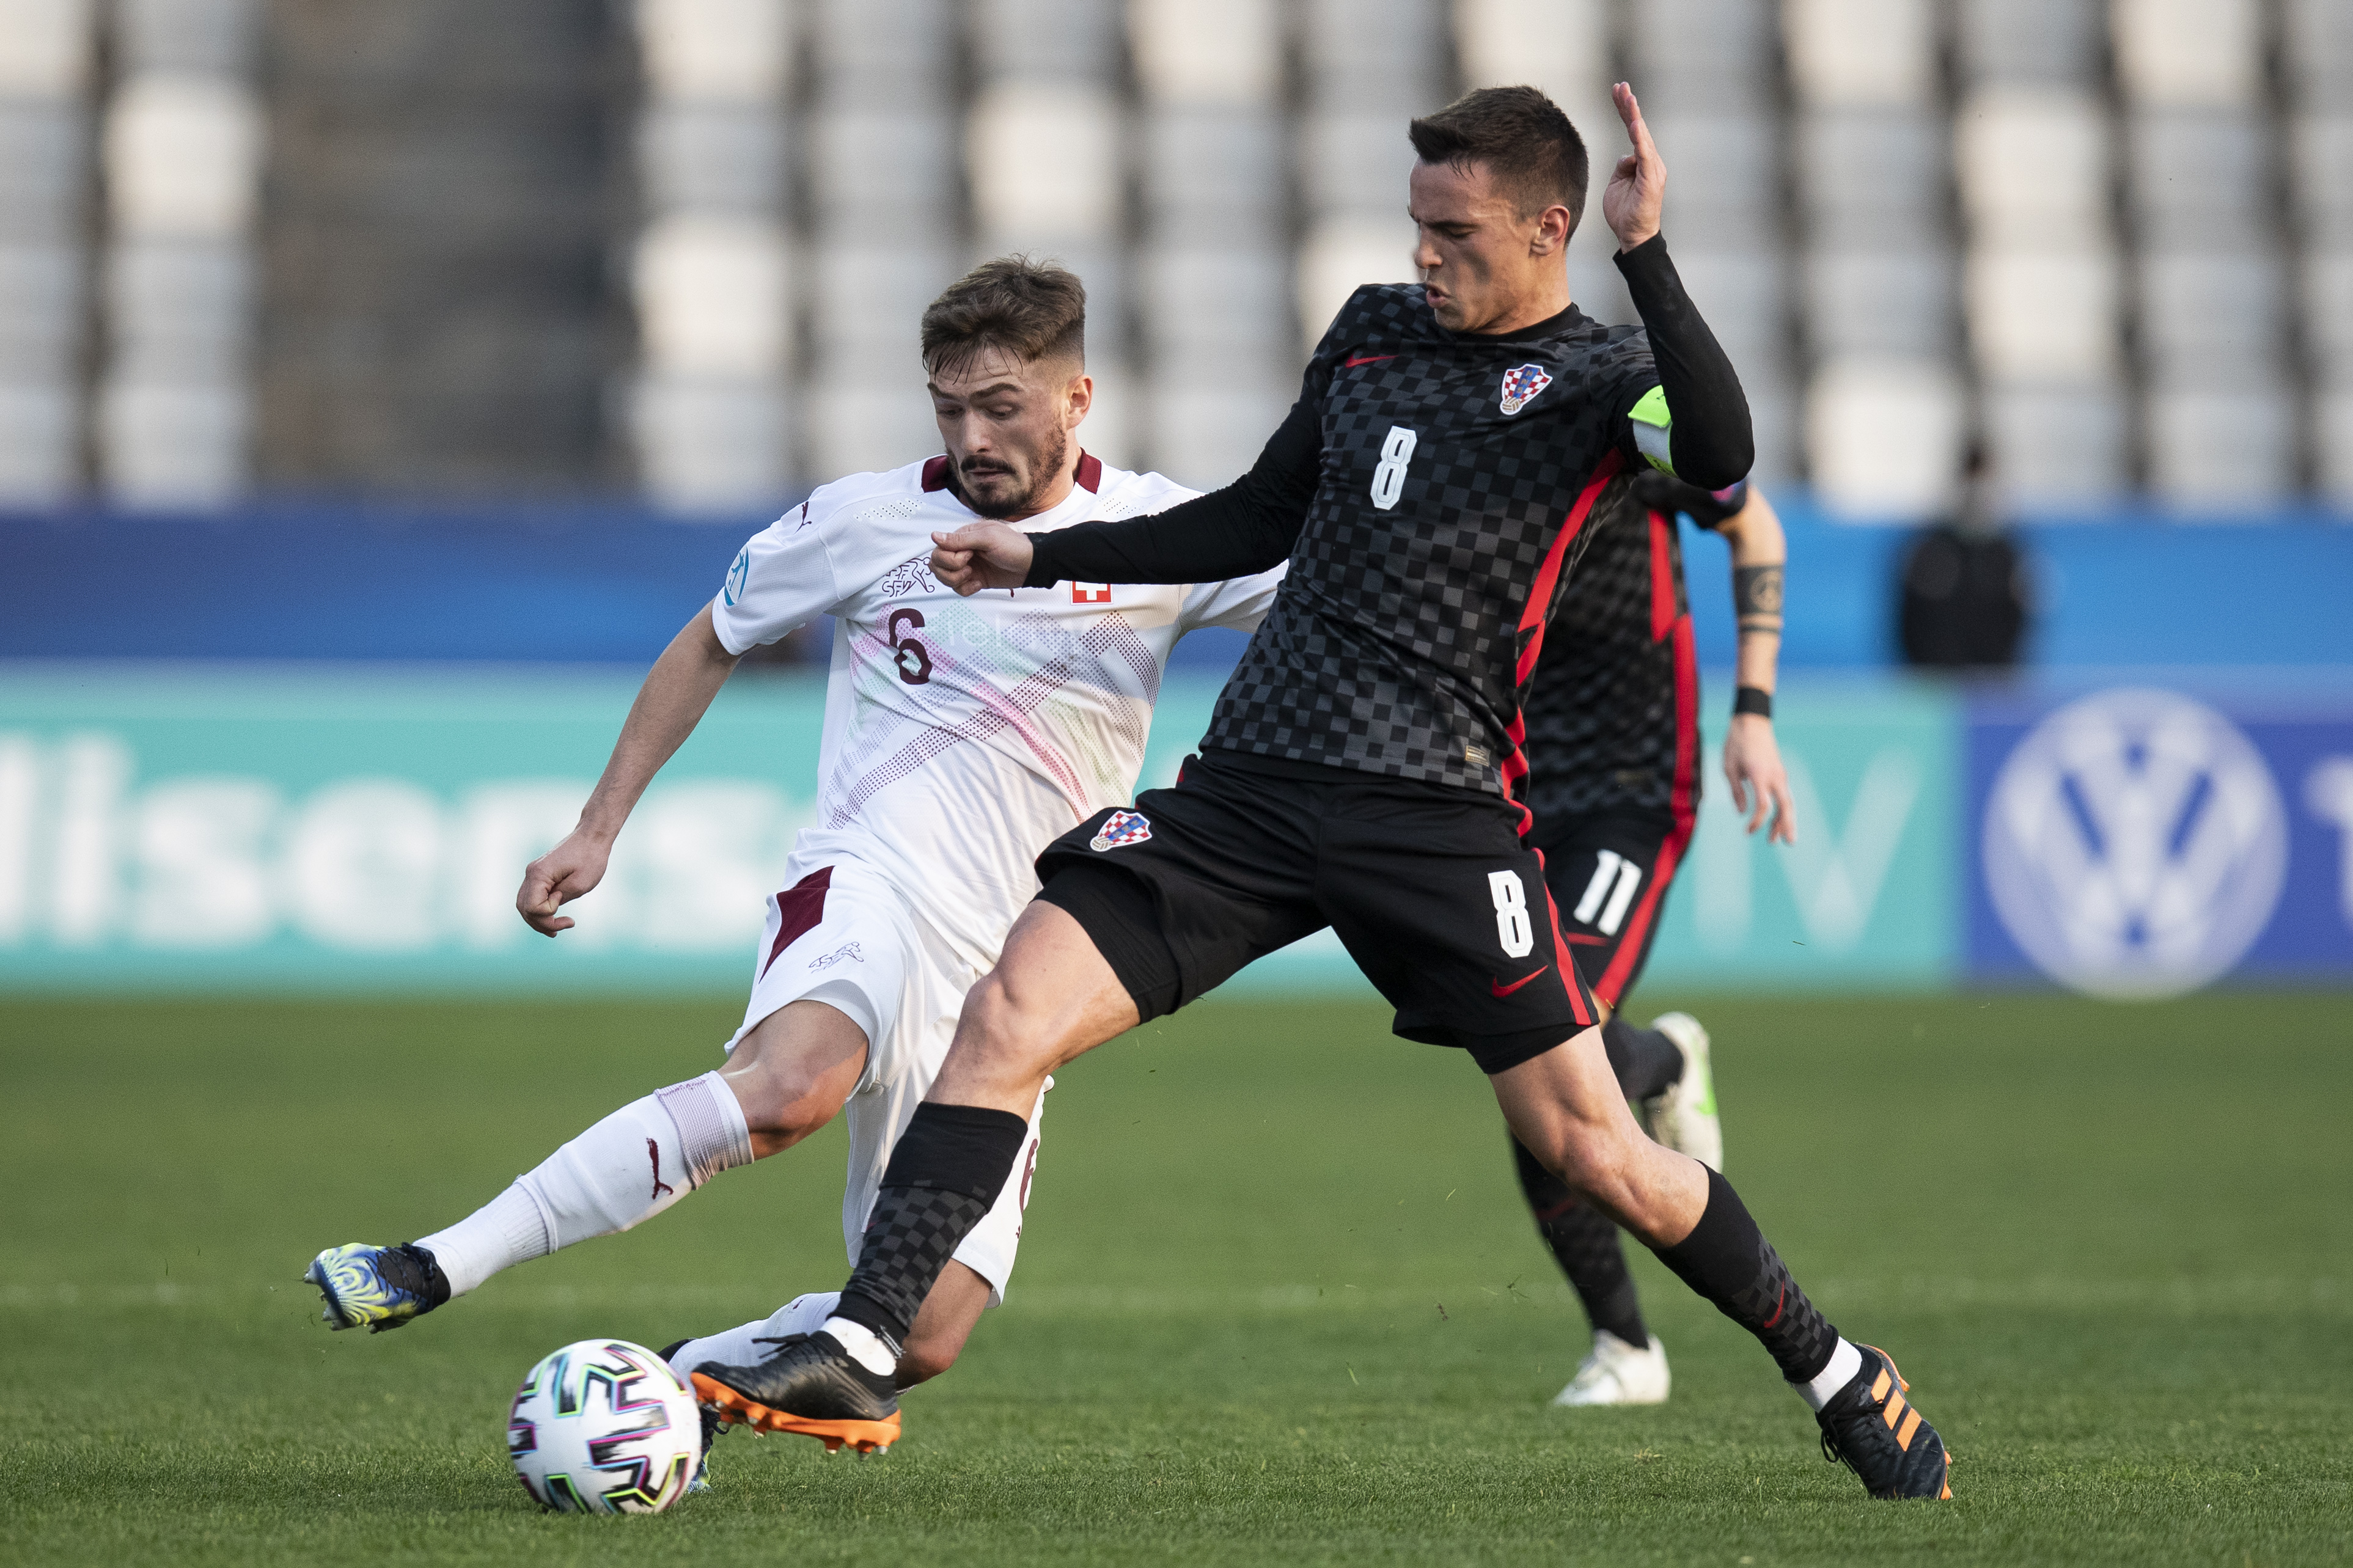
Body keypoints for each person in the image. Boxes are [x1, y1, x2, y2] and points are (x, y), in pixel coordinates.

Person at [691, 85, 1953, 1501]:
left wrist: (1647, 257)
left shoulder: (1604, 383)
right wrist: (1039, 556)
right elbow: (1248, 516)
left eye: (1455, 231)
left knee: (1589, 1148)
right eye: (1416, 223)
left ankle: (1840, 1371)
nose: (1423, 253)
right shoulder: (1367, 335)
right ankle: (860, 1337)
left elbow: (1720, 457)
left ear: (1550, 230)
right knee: (1008, 1012)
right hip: (1249, 789)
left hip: (1435, 813)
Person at [303, 258, 1285, 1465]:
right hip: (872, 877)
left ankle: (664, 1387)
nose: (972, 435)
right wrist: (598, 825)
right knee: (793, 1085)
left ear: (1076, 397)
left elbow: (1336, 605)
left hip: (1023, 965)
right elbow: (712, 637)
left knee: (923, 1333)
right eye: (948, 406)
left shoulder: (1160, 533)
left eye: (1001, 406)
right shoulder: (864, 520)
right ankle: (437, 1259)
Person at [1509, 471, 1795, 1407]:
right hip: (1503, 792)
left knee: (1560, 1040)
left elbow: (1755, 530)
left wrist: (1751, 710)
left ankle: (1666, 1056)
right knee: (1524, 1082)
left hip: (1630, 790)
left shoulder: (1624, 412)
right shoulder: (1459, 423)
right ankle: (1626, 1347)